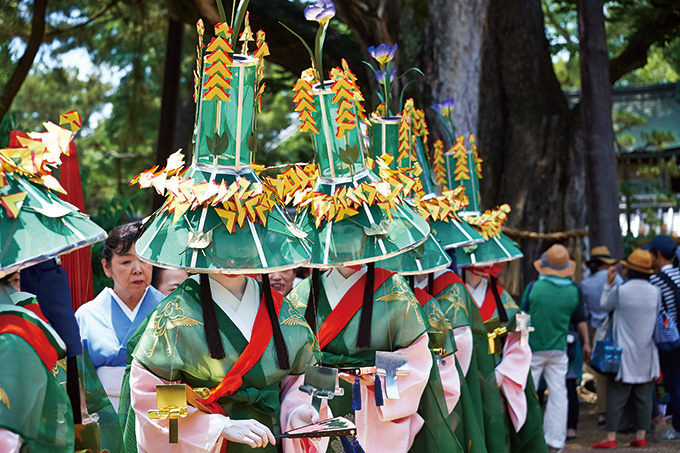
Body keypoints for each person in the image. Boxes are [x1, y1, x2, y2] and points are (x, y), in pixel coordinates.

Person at [75, 221, 164, 411]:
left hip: (159, 415)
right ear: (107, 267)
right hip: (105, 416)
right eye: (125, 262)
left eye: (144, 259)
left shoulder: (170, 310)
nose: (138, 269)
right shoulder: (87, 315)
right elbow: (78, 380)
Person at [523, 244, 591, 452]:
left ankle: (527, 439)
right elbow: (580, 319)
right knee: (559, 395)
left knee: (528, 394)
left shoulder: (534, 288)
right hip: (558, 350)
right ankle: (555, 442)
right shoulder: (573, 292)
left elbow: (522, 317)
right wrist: (587, 342)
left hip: (533, 349)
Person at [592, 249, 660, 448]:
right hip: (647, 351)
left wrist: (609, 283)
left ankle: (611, 438)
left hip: (623, 352)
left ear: (629, 269)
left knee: (617, 395)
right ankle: (641, 435)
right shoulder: (655, 291)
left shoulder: (622, 290)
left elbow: (604, 305)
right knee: (644, 396)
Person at [580, 245, 622, 426]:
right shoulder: (615, 278)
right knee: (618, 371)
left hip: (598, 333)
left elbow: (586, 313)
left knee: (601, 375)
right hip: (617, 331)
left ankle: (602, 414)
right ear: (605, 264)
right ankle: (619, 412)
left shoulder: (584, 283)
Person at [645, 234, 680, 441]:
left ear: (657, 255)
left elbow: (655, 310)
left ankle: (677, 428)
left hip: (671, 339)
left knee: (675, 382)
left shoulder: (655, 280)